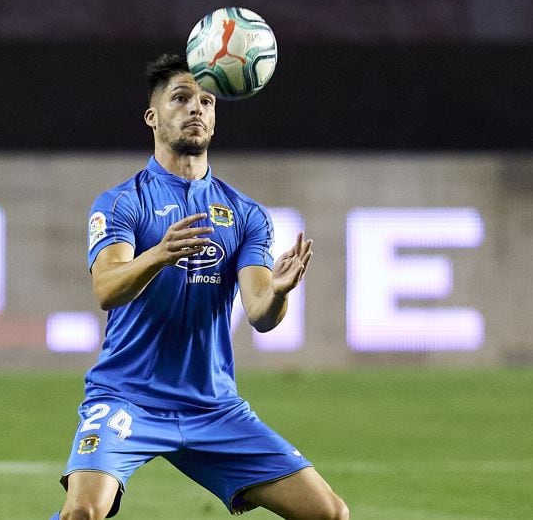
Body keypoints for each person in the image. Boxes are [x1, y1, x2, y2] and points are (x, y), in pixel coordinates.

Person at [52, 54, 348, 519]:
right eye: (182, 98)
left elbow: (259, 315)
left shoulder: (245, 214)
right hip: (129, 397)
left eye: (207, 101)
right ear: (152, 117)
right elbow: (107, 289)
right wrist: (159, 254)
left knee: (330, 513)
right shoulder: (122, 203)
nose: (197, 109)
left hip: (212, 407)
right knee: (83, 513)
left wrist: (280, 291)